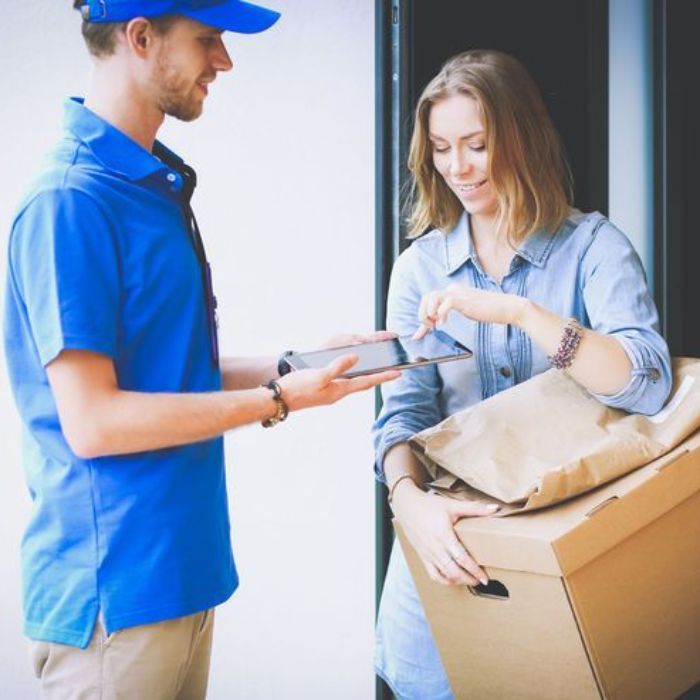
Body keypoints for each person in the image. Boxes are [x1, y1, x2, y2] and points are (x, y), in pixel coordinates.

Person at [3, 2, 399, 698]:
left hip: (181, 581)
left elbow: (169, 373)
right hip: (114, 606)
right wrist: (276, 401)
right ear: (139, 37)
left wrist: (301, 367)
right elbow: (93, 423)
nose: (224, 60)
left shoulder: (151, 186)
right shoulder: (72, 202)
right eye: (208, 40)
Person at [372, 49, 672, 700]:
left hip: (566, 560)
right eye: (443, 148)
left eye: (477, 144)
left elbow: (647, 383)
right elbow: (403, 416)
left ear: (520, 136)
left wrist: (524, 313)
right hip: (444, 557)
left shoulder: (594, 248)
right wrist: (408, 502)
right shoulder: (419, 268)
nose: (458, 167)